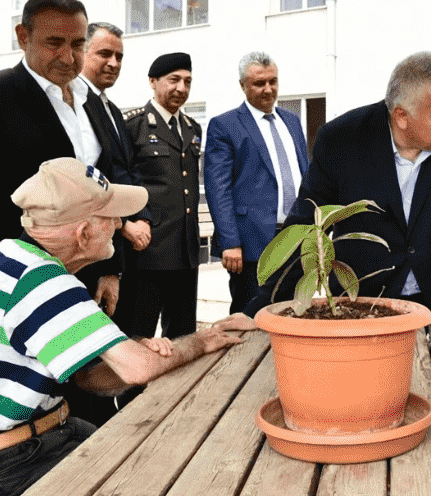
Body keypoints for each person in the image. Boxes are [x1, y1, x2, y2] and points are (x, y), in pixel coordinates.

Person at [0, 158, 241, 496]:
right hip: (7, 464)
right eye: (112, 217)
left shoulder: (10, 258)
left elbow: (86, 376)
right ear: (83, 234)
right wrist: (202, 340)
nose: (120, 224)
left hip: (14, 445)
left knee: (150, 456)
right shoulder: (43, 282)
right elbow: (141, 369)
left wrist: (132, 349)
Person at [219, 51, 431, 335]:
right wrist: (257, 310)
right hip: (361, 304)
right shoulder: (340, 139)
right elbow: (305, 224)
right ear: (401, 117)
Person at [0, 0, 105, 283]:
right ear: (22, 36)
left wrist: (108, 271)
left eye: (78, 44)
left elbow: (103, 192)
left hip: (87, 277)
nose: (68, 57)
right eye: (54, 43)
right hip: (17, 283)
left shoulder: (92, 103)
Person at [72, 22, 152, 426]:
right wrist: (122, 230)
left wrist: (141, 219)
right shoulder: (75, 107)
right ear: (81, 51)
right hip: (90, 252)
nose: (113, 62)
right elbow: (86, 187)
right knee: (88, 357)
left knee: (114, 342)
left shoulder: (111, 109)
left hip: (118, 249)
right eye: (104, 53)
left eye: (119, 56)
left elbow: (125, 175)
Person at [204, 52, 309, 314]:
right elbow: (219, 189)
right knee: (250, 314)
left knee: (294, 310)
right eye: (259, 83)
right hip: (251, 243)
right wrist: (230, 242)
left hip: (295, 236)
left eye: (272, 81)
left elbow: (303, 175)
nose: (268, 89)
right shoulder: (225, 126)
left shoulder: (292, 121)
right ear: (243, 85)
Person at [123, 53, 201, 340]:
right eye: (174, 80)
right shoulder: (133, 126)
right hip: (149, 251)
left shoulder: (193, 128)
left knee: (183, 336)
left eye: (187, 81)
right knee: (137, 334)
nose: (181, 88)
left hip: (185, 250)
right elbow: (124, 181)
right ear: (153, 82)